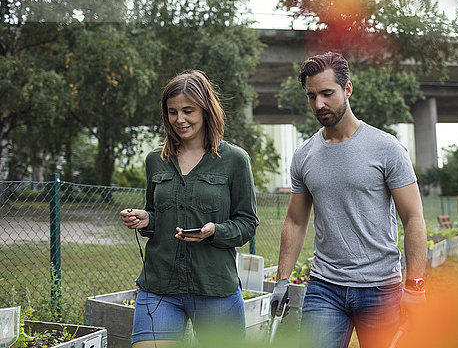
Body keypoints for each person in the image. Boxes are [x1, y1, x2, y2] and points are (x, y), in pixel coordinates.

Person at [270, 52, 427, 347]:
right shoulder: (304, 155)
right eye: (312, 96)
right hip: (324, 287)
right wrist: (282, 280)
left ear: (348, 89)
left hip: (381, 288)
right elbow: (295, 220)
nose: (319, 104)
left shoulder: (386, 148)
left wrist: (415, 286)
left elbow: (413, 217)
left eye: (327, 94)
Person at [119, 70, 258, 347]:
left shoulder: (234, 160)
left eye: (188, 110)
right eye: (172, 112)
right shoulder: (155, 160)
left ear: (206, 111)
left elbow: (247, 223)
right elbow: (157, 215)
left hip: (215, 289)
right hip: (159, 288)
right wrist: (147, 219)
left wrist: (214, 231)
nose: (179, 119)